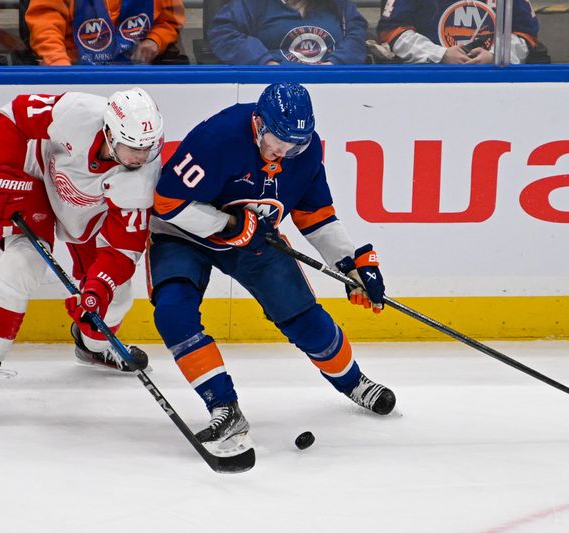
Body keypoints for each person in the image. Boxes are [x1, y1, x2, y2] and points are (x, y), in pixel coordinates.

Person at [149, 82, 396, 447]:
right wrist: (230, 224)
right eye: (277, 140)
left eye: (294, 144)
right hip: (182, 232)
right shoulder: (219, 137)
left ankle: (353, 381)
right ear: (258, 122)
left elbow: (316, 215)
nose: (283, 152)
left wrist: (349, 264)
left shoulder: (305, 152)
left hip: (253, 240)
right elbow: (168, 202)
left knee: (304, 318)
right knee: (174, 312)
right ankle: (224, 406)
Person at [0, 88, 165, 412]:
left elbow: (124, 250)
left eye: (147, 147)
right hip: (37, 183)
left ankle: (92, 348)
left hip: (91, 213)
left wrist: (97, 289)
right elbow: (9, 117)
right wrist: (5, 175)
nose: (141, 156)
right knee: (19, 267)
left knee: (118, 296)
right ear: (110, 133)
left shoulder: (143, 175)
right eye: (133, 147)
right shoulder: (76, 112)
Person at [376, 0, 541, 64]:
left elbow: (525, 33)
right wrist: (440, 55)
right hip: (429, 82)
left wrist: (495, 56)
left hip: (493, 82)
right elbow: (392, 31)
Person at [24, 0, 185, 65]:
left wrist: (155, 40)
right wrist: (60, 65)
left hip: (137, 74)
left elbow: (169, 19)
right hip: (76, 71)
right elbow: (45, 28)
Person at [207, 0, 368, 65]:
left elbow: (357, 34)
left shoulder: (338, 4)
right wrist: (265, 62)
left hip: (333, 85)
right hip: (272, 86)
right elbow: (222, 32)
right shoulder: (253, 4)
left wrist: (335, 64)